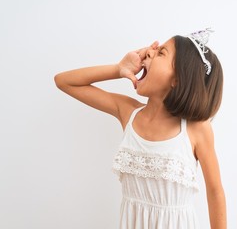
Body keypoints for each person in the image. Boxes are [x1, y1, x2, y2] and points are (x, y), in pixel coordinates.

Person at [54, 29, 227, 229]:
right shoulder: (128, 112)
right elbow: (64, 81)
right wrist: (119, 69)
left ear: (177, 79)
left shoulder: (196, 129)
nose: (149, 53)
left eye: (161, 53)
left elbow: (215, 192)